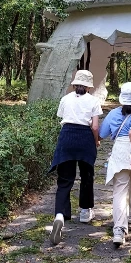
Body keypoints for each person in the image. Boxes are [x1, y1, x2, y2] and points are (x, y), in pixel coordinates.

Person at [49, 70, 102, 245]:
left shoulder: (65, 99)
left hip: (67, 137)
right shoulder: (93, 101)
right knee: (87, 176)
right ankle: (85, 212)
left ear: (74, 84)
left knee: (65, 180)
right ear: (88, 86)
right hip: (85, 138)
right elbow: (95, 127)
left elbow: (62, 118)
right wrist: (96, 141)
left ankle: (59, 215)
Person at [99, 81, 131, 247]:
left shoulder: (112, 114)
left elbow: (102, 134)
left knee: (119, 190)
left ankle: (119, 229)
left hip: (120, 151)